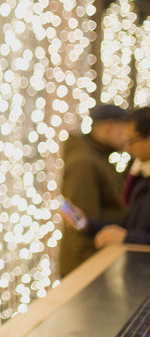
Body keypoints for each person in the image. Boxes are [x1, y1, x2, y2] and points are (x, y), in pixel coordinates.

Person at [58, 103, 128, 275]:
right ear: (110, 127)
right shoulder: (85, 162)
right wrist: (93, 272)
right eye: (125, 131)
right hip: (86, 268)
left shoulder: (99, 157)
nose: (127, 138)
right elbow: (81, 223)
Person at [92, 106, 150, 248]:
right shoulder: (139, 174)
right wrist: (87, 225)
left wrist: (127, 238)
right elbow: (133, 224)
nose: (128, 149)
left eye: (132, 141)